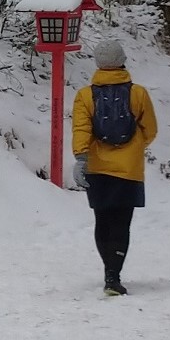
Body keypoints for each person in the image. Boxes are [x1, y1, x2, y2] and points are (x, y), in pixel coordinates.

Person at [71, 38, 158, 296]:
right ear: (122, 61)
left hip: (97, 169)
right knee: (122, 222)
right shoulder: (138, 93)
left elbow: (81, 129)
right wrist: (136, 146)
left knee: (102, 220)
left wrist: (81, 158)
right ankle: (114, 275)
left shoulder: (85, 95)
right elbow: (150, 129)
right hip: (128, 168)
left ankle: (108, 270)